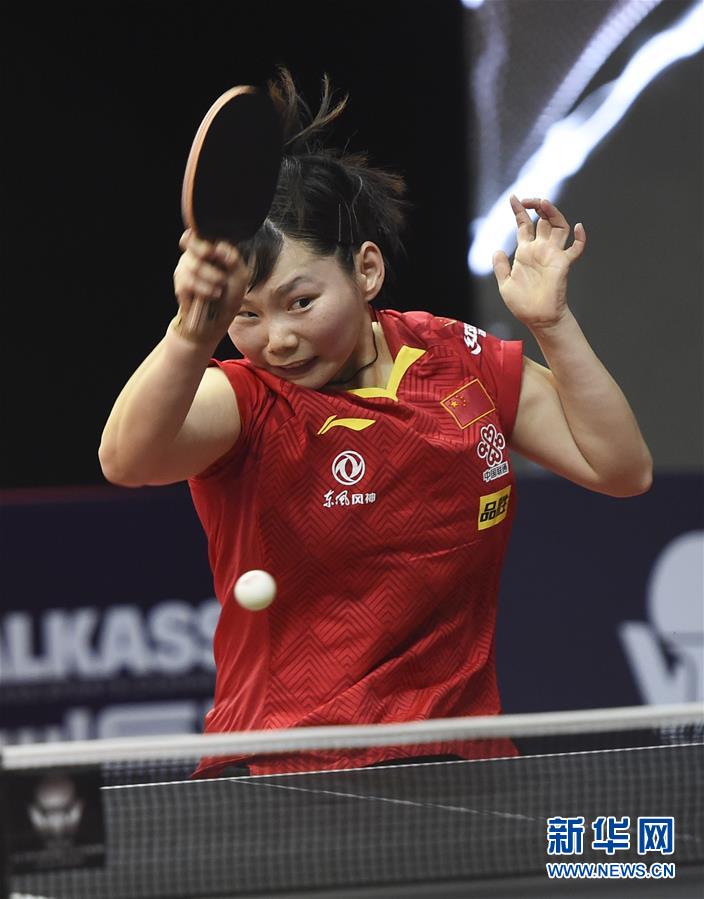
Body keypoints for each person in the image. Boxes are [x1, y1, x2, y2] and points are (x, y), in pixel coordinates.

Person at [99, 70, 652, 776]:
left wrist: (552, 325)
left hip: (462, 766)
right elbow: (127, 459)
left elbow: (620, 468)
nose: (278, 339)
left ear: (365, 270)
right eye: (247, 314)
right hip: (284, 772)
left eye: (300, 301)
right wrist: (190, 330)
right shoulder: (248, 401)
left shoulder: (458, 361)